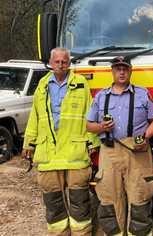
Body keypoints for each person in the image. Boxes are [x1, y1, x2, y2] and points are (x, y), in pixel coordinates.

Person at [22, 47, 99, 235]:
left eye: (64, 61)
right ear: (50, 62)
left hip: (75, 153)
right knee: (53, 202)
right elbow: (35, 116)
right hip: (48, 153)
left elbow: (90, 115)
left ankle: (82, 233)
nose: (60, 64)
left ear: (69, 63)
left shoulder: (80, 83)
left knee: (79, 202)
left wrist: (92, 142)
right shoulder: (42, 84)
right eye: (57, 61)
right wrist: (29, 143)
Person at [86, 56, 153, 235]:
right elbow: (88, 125)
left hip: (137, 152)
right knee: (109, 199)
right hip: (109, 151)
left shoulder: (143, 94)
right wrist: (101, 127)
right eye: (118, 68)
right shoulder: (101, 96)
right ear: (112, 71)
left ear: (130, 71)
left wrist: (146, 136)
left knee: (139, 197)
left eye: (125, 69)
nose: (121, 72)